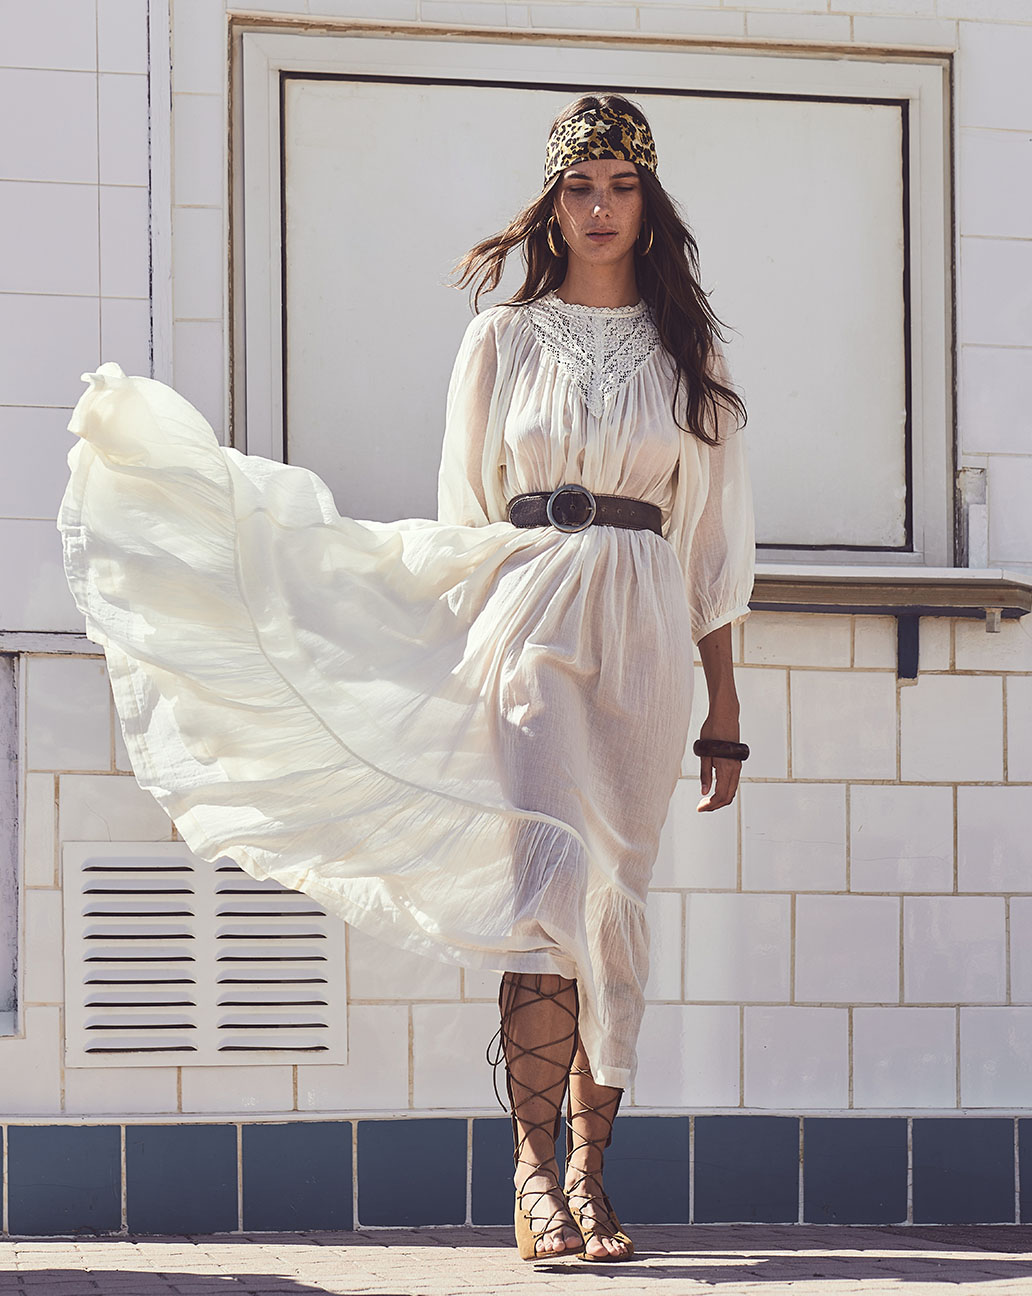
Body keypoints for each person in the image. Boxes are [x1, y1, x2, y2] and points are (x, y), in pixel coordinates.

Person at [57, 92, 754, 1265]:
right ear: (553, 205)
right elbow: (463, 513)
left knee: (614, 897)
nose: (599, 207)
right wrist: (453, 648)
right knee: (545, 888)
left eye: (621, 186)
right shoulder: (502, 340)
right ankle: (534, 1174)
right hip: (529, 618)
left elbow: (715, 544)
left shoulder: (693, 351)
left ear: (649, 204)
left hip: (643, 628)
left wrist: (723, 705)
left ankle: (595, 1173)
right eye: (580, 187)